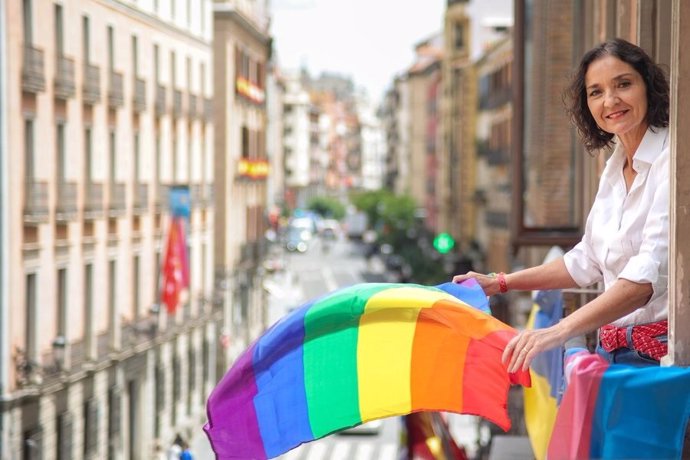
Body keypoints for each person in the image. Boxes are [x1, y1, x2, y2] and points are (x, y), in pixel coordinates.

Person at [453, 38, 670, 371]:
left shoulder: (673, 161)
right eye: (596, 92)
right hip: (615, 356)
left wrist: (558, 331)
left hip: (664, 362)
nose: (610, 101)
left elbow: (643, 283)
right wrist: (499, 282)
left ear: (648, 87)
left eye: (623, 84)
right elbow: (585, 260)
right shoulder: (614, 167)